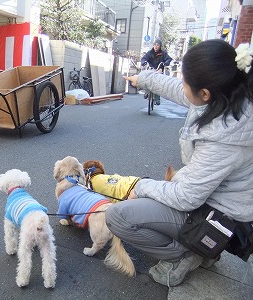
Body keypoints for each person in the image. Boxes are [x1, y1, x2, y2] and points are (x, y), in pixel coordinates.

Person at [106, 40, 253, 287]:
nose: (182, 86)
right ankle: (198, 247)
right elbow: (177, 88)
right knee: (155, 193)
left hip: (218, 217)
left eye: (186, 82)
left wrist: (140, 186)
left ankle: (188, 253)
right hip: (210, 199)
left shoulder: (226, 138)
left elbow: (186, 198)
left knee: (118, 215)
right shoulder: (227, 96)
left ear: (205, 93)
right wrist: (142, 78)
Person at [140, 39, 172, 105]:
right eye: (155, 45)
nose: (156, 46)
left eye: (158, 45)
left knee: (158, 82)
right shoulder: (150, 52)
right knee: (147, 79)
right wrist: (143, 62)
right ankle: (147, 92)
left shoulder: (163, 53)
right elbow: (144, 58)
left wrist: (166, 63)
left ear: (160, 46)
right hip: (151, 68)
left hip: (159, 68)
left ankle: (157, 98)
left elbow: (169, 58)